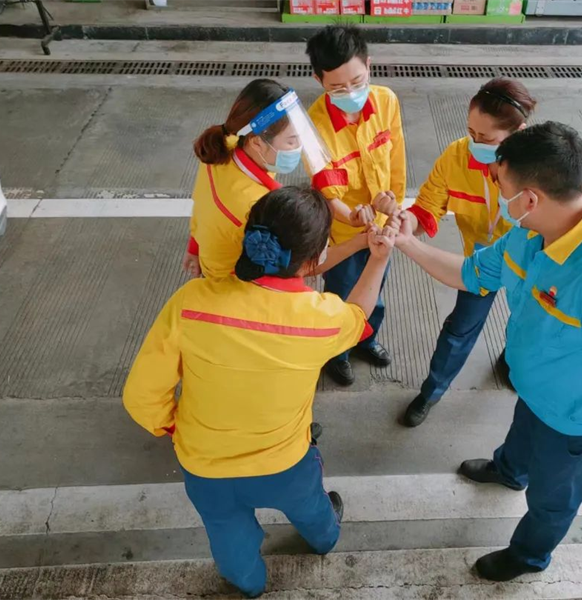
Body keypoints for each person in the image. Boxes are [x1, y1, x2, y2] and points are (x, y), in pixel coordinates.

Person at [389, 122, 582, 582]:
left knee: (552, 500)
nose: (497, 194)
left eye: (500, 186)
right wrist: (407, 243)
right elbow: (470, 274)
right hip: (534, 389)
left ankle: (528, 555)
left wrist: (576, 379)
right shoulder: (528, 232)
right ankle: (508, 470)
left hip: (578, 420)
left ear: (531, 198)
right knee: (521, 439)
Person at [124, 186, 396, 599]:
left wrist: (176, 428)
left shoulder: (191, 302)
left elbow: (141, 396)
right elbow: (359, 316)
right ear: (313, 260)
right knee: (312, 508)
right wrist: (377, 258)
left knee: (227, 535)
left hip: (205, 466)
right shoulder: (321, 319)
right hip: (284, 463)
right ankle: (325, 539)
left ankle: (248, 583)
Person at [400, 78, 537, 428]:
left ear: (518, 133)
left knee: (528, 323)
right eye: (471, 133)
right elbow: (428, 205)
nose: (474, 144)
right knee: (459, 329)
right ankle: (431, 391)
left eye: (486, 139)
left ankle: (511, 361)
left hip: (530, 264)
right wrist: (406, 222)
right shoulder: (457, 156)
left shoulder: (541, 168)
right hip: (480, 261)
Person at [182, 78, 368, 281]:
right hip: (237, 287)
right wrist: (359, 242)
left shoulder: (223, 147)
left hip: (212, 263)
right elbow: (300, 267)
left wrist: (194, 247)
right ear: (257, 143)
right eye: (291, 141)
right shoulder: (257, 208)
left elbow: (202, 204)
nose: (299, 146)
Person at [305, 25, 407, 386]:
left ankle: (367, 339)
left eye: (357, 81)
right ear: (319, 80)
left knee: (375, 289)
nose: (350, 93)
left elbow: (396, 161)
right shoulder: (313, 127)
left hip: (382, 225)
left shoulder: (386, 101)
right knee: (341, 294)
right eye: (337, 87)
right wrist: (351, 217)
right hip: (343, 234)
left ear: (369, 65)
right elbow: (327, 191)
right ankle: (338, 353)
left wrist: (394, 206)